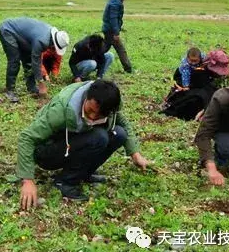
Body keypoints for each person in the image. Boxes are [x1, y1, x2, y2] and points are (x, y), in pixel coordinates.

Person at [17, 80, 150, 209]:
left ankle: (83, 174)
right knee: (99, 137)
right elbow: (27, 137)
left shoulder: (110, 107)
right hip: (48, 151)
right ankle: (64, 182)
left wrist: (135, 154)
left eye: (99, 115)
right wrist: (28, 180)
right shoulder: (61, 110)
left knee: (119, 134)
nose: (92, 117)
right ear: (86, 97)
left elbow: (123, 124)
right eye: (90, 110)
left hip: (73, 143)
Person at [0, 17, 69, 102]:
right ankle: (9, 90)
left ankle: (31, 87)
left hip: (22, 36)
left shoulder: (49, 34)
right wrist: (41, 84)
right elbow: (36, 61)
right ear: (54, 43)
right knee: (14, 61)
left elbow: (32, 61)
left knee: (28, 61)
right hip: (8, 30)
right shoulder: (42, 41)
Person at [161, 49, 229, 121]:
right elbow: (186, 83)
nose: (193, 63)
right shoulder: (190, 70)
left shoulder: (204, 68)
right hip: (186, 92)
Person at [102, 0, 133, 73]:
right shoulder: (115, 3)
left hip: (108, 29)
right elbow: (113, 18)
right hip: (111, 31)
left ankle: (92, 58)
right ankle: (128, 70)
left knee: (103, 48)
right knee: (121, 49)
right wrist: (116, 32)